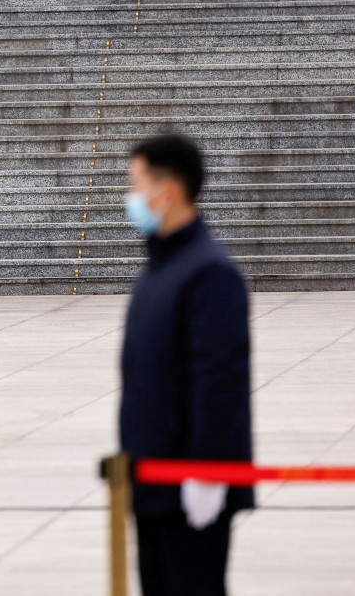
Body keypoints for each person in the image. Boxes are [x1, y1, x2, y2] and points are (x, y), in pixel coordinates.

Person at [118, 135, 253, 596]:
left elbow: (220, 381)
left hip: (191, 487)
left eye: (136, 184)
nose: (130, 197)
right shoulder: (159, 270)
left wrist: (210, 474)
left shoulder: (209, 273)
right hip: (152, 482)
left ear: (167, 190)